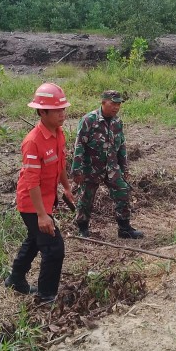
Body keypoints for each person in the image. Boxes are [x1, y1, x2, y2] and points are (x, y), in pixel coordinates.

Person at [5, 83, 75, 304]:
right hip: (32, 204)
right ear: (42, 112)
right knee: (54, 248)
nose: (62, 114)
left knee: (35, 240)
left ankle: (15, 279)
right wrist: (42, 215)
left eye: (63, 109)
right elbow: (31, 181)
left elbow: (60, 165)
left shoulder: (58, 134)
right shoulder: (33, 141)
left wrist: (66, 187)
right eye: (57, 110)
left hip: (46, 199)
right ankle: (46, 295)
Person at [72, 90, 143, 239]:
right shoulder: (89, 120)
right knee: (86, 198)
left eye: (118, 104)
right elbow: (79, 146)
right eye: (113, 103)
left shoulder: (117, 122)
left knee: (123, 190)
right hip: (91, 167)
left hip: (111, 167)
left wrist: (124, 168)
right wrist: (77, 170)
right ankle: (82, 229)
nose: (116, 107)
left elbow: (121, 146)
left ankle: (124, 228)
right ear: (103, 102)